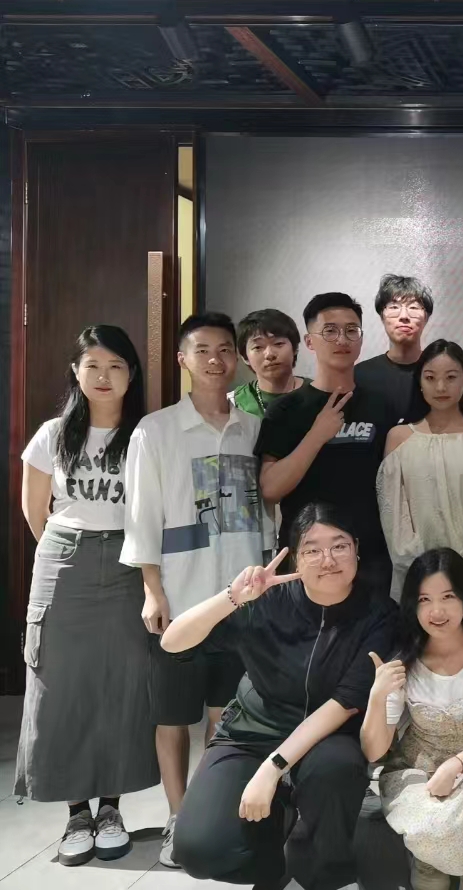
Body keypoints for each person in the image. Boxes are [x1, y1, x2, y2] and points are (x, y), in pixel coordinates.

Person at [165, 503, 396, 890]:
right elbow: (173, 642)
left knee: (336, 768)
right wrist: (232, 597)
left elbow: (343, 704)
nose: (328, 560)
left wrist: (272, 768)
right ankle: (275, 857)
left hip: (327, 738)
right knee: (196, 850)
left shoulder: (379, 614)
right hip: (252, 732)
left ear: (357, 550)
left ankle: (330, 872)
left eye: (339, 546)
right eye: (312, 549)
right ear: (294, 558)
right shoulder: (266, 601)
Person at [121, 311, 267, 869]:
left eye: (225, 349)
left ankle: (212, 812)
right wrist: (151, 589)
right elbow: (142, 517)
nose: (215, 359)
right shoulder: (155, 430)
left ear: (237, 359)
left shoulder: (252, 427)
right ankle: (179, 818)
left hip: (242, 602)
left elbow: (264, 513)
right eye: (202, 349)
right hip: (181, 601)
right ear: (182, 359)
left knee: (224, 714)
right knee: (172, 715)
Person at [17, 326, 157, 866]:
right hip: (65, 557)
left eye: (116, 365)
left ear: (131, 375)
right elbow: (35, 511)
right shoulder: (53, 434)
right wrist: (68, 553)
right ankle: (77, 812)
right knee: (62, 684)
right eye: (92, 365)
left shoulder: (144, 433)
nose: (103, 376)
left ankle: (111, 808)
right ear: (75, 372)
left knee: (121, 683)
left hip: (128, 559)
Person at [363, 548, 463, 890]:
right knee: (431, 829)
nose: (436, 611)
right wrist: (377, 697)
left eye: (448, 597)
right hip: (418, 777)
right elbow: (375, 751)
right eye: (425, 600)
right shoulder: (404, 660)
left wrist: (456, 765)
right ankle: (430, 859)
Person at [257, 291, 399, 597]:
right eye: (330, 331)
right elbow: (270, 488)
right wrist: (317, 435)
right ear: (310, 342)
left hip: (370, 556)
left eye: (351, 330)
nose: (342, 339)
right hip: (305, 554)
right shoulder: (286, 410)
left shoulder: (382, 407)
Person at [377, 339, 463, 611]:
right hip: (414, 583)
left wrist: (460, 576)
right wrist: (422, 573)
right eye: (430, 377)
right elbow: (394, 517)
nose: (440, 387)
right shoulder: (399, 438)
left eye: (451, 377)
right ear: (419, 382)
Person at [355, 274, 435, 424]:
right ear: (382, 317)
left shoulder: (440, 374)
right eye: (394, 307)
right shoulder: (359, 376)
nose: (404, 316)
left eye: (413, 307)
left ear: (426, 317)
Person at [231, 308, 309, 418]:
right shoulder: (232, 403)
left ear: (295, 348)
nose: (269, 354)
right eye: (258, 347)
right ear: (245, 357)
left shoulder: (321, 395)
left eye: (278, 343)